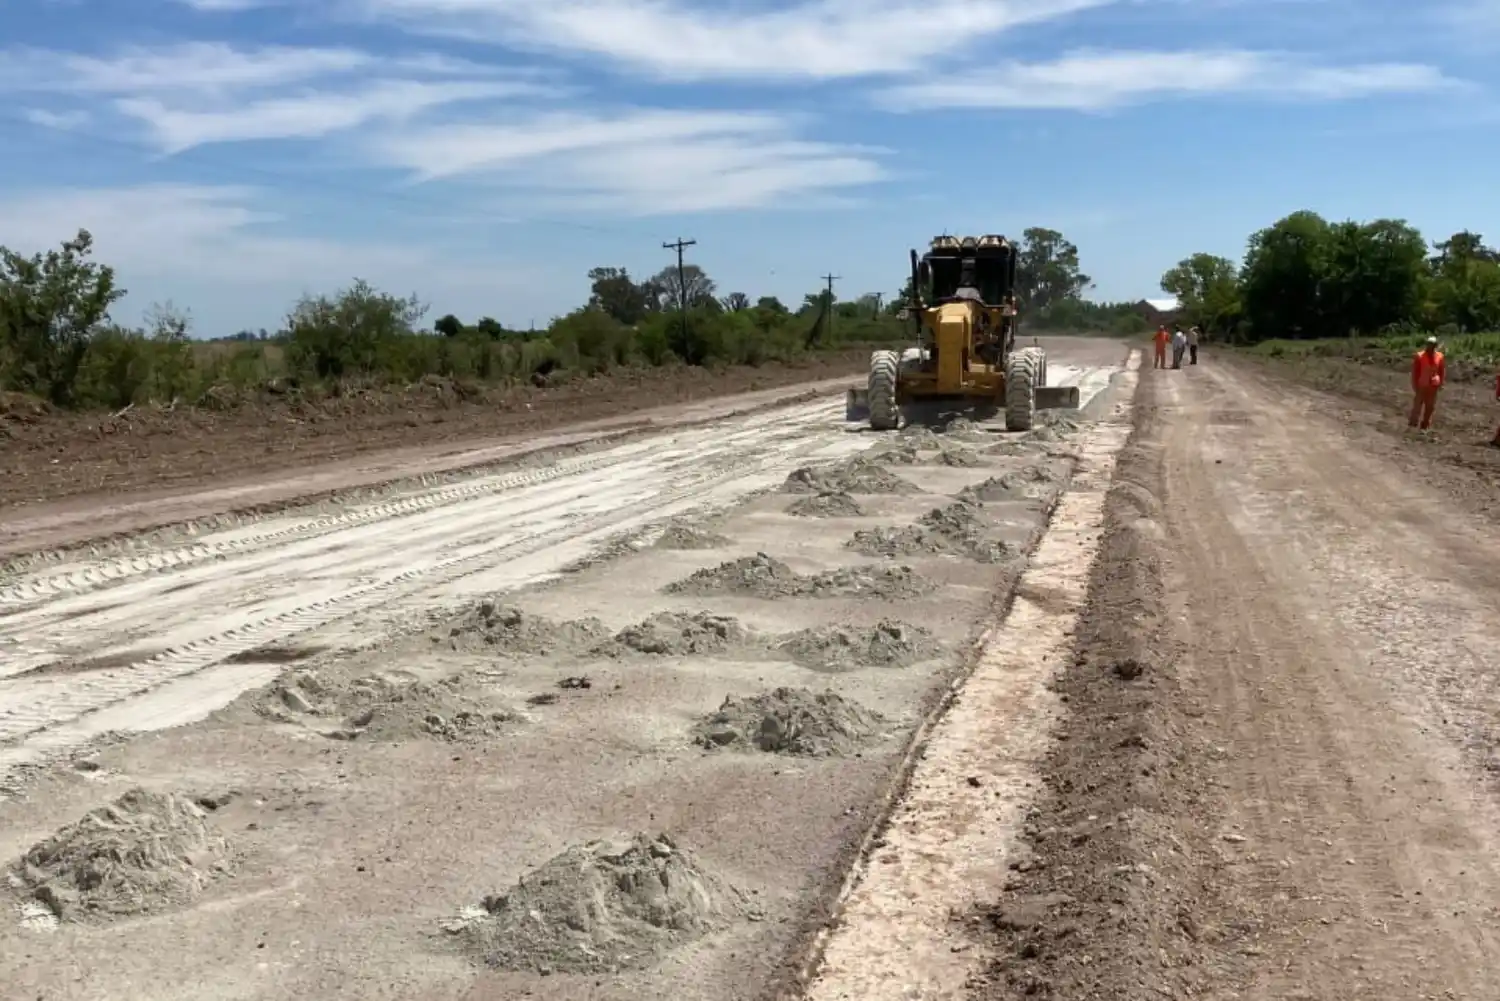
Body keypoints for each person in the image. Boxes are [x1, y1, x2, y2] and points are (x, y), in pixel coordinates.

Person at [1408, 336, 1446, 430]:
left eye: (1433, 345)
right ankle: (1413, 424)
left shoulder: (1440, 356)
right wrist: (1414, 384)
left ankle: (1425, 425)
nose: (1430, 347)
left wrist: (1441, 383)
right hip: (1422, 384)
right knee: (1417, 406)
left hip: (1433, 385)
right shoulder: (1419, 356)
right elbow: (1415, 372)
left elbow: (1441, 371)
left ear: (1435, 345)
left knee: (1430, 407)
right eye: (1429, 344)